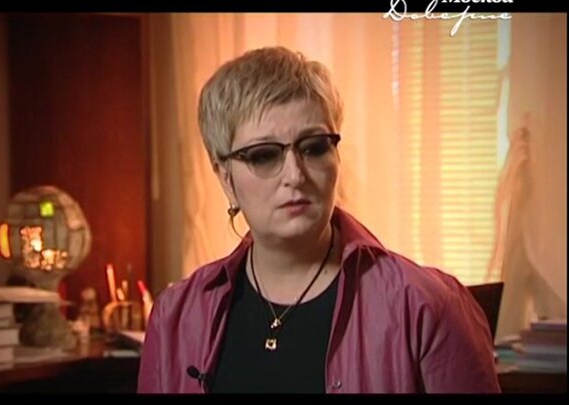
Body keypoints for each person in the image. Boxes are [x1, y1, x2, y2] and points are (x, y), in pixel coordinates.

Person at [137, 46, 500, 393]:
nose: (295, 175)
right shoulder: (175, 317)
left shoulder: (427, 306)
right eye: (264, 155)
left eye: (314, 147)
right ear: (224, 178)